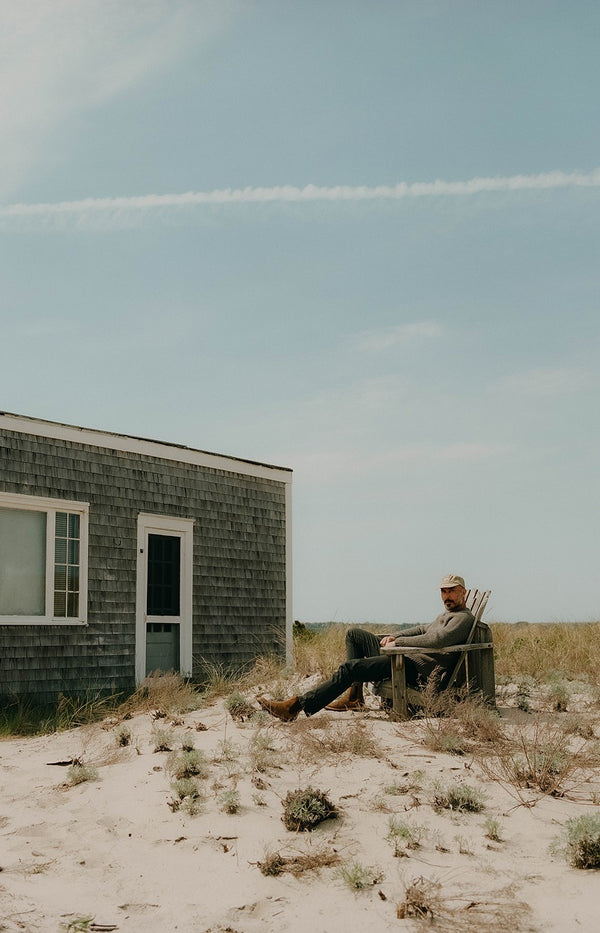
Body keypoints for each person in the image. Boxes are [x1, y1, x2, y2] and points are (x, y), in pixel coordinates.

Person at [257, 574, 474, 722]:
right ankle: (354, 696)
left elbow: (437, 639)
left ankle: (294, 707)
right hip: (403, 659)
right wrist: (394, 635)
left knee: (350, 669)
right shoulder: (446, 615)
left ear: (463, 592)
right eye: (444, 592)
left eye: (452, 591)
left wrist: (399, 644)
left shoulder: (462, 619)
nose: (447, 596)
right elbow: (422, 629)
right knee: (354, 634)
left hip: (414, 670)